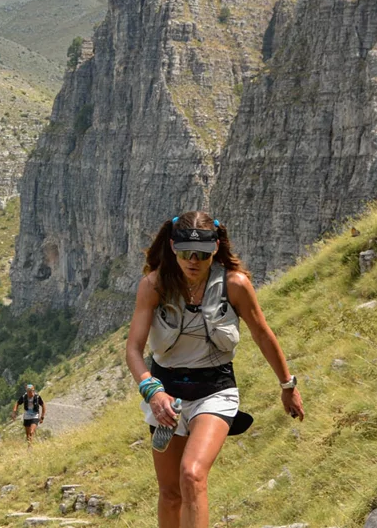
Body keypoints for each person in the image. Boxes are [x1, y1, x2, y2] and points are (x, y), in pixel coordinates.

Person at [125, 211, 305, 528]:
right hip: (165, 395)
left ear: (216, 248)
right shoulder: (153, 286)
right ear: (171, 247)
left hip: (215, 390)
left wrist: (287, 386)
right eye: (184, 253)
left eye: (203, 254)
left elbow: (263, 334)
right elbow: (133, 350)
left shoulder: (234, 285)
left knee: (192, 474)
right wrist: (153, 392)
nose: (193, 261)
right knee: (169, 494)